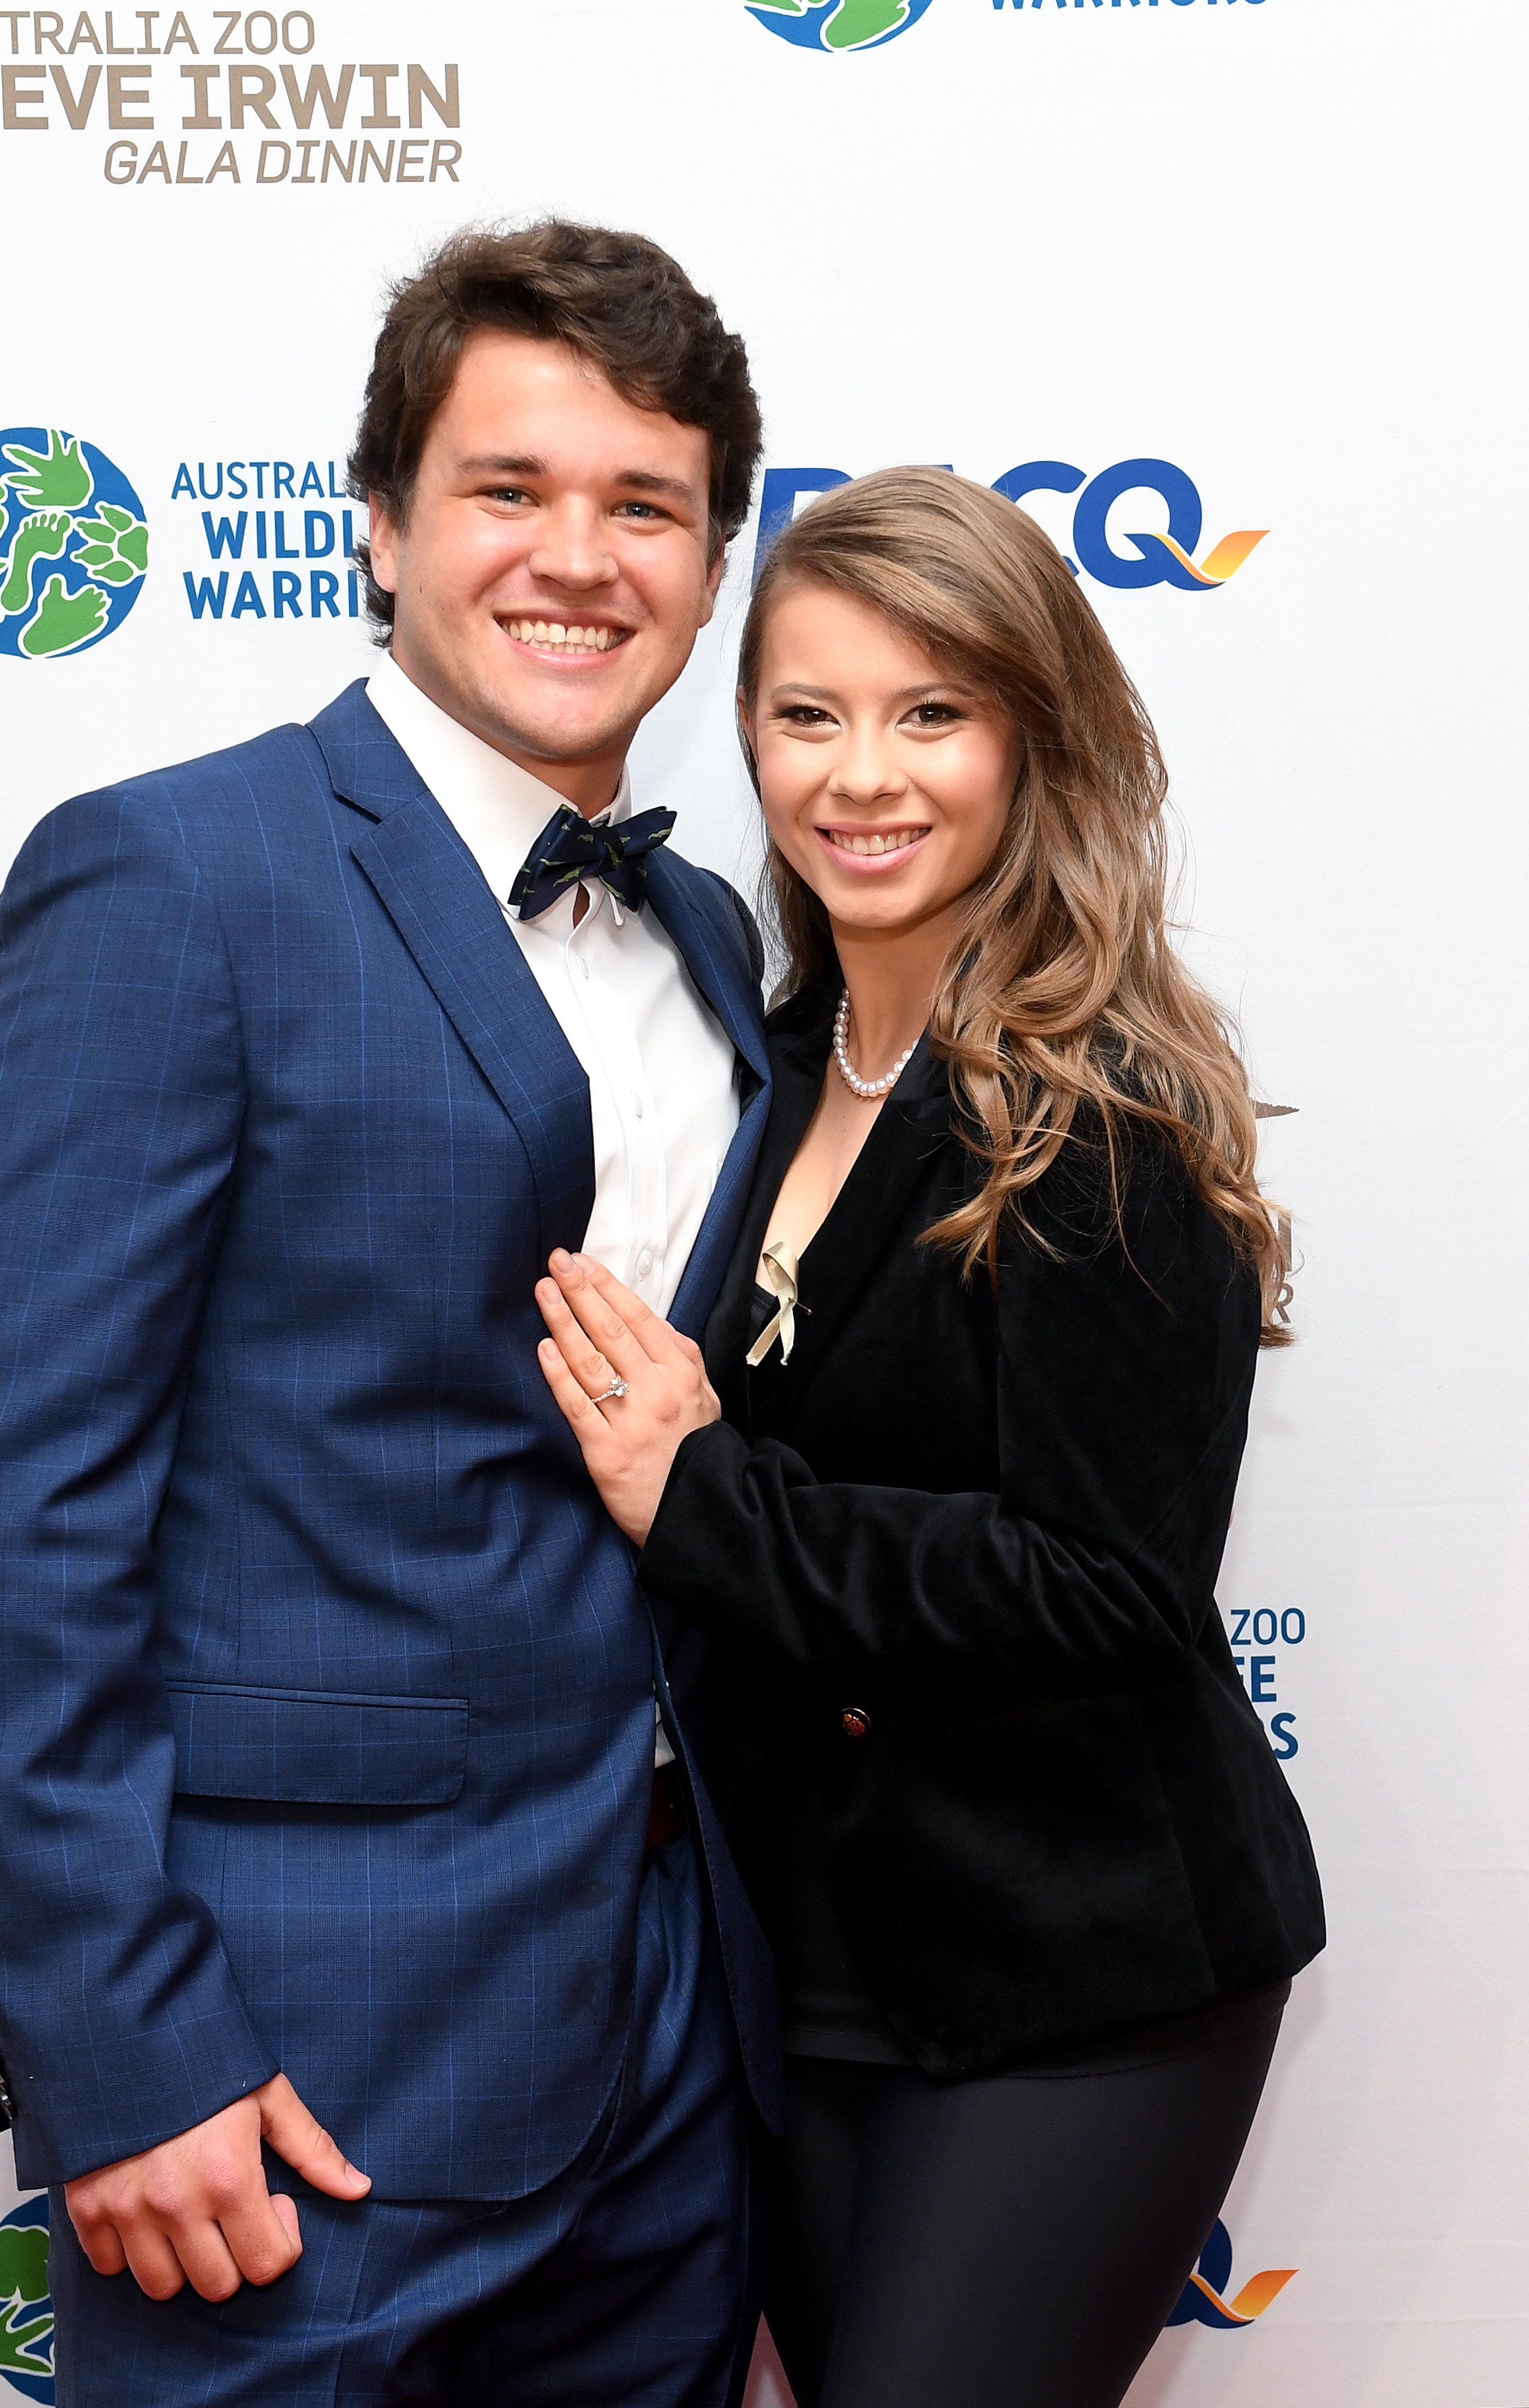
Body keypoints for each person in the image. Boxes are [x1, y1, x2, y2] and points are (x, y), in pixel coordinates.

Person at [0, 220, 786, 2407]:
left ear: (709, 558)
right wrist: (121, 2046)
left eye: (643, 506)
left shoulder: (715, 935)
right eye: (509, 490)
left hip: (677, 2056)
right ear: (377, 528)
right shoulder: (173, 879)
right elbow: (9, 1518)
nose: (577, 559)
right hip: (289, 2081)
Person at [533, 467, 1327, 2408]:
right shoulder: (766, 1069)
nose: (858, 776)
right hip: (808, 1962)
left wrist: (699, 1494)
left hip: (1081, 1968)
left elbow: (1101, 1582)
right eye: (805, 714)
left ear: (1025, 743)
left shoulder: (1101, 1110)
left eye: (929, 713)